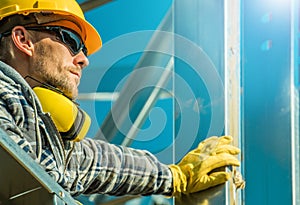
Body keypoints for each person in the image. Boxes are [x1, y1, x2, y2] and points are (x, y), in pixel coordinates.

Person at [0, 0, 242, 200]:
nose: (84, 59)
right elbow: (38, 174)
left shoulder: (43, 136)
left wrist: (176, 177)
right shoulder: (5, 96)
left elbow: (97, 162)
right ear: (24, 40)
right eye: (71, 40)